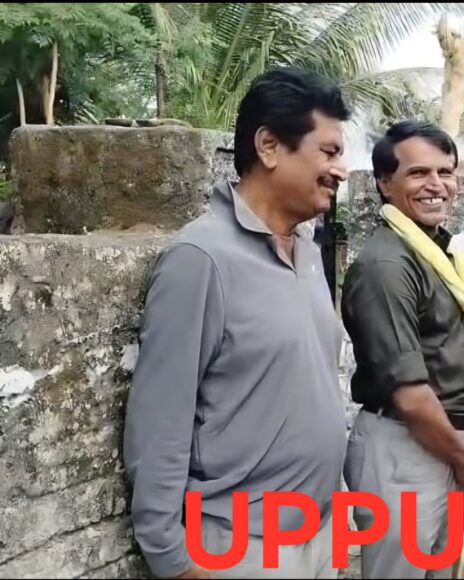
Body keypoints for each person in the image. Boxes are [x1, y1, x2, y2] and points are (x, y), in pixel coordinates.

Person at [124, 68, 351, 579]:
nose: (341, 170)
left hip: (321, 534)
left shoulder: (308, 253)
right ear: (269, 146)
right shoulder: (201, 258)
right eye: (329, 152)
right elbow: (160, 418)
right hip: (242, 547)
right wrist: (171, 557)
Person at [341, 120, 464, 580]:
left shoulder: (443, 255)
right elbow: (409, 394)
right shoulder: (388, 264)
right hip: (404, 446)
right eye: (419, 173)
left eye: (445, 172)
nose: (437, 185)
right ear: (385, 183)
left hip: (449, 444)